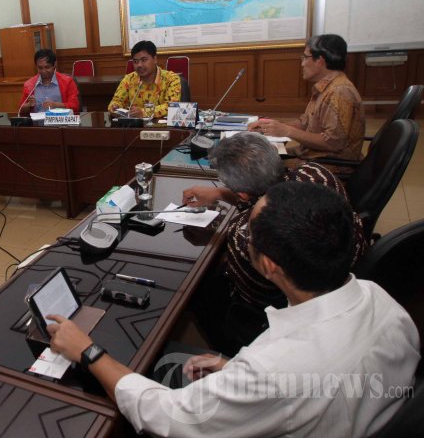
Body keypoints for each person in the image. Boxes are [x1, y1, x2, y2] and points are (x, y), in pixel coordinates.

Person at [48, 181, 420, 437]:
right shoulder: (381, 300)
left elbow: (165, 417)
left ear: (270, 265)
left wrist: (88, 351)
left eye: (249, 231)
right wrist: (234, 372)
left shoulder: (273, 371)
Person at [181, 132, 367, 350]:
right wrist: (222, 193)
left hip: (288, 319)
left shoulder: (247, 236)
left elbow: (255, 298)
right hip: (349, 279)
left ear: (243, 195)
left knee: (197, 286)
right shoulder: (317, 173)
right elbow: (266, 199)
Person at [248, 34, 364, 165]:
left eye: (305, 57)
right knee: (257, 155)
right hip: (310, 155)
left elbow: (332, 143)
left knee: (254, 165)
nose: (302, 64)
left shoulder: (339, 92)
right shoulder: (326, 87)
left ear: (320, 60)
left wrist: (287, 131)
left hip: (328, 165)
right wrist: (270, 126)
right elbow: (305, 123)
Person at [107, 40, 181, 119]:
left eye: (144, 60)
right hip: (134, 125)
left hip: (161, 126)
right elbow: (116, 101)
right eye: (135, 61)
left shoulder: (171, 79)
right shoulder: (129, 79)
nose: (139, 65)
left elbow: (172, 106)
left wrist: (144, 112)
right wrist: (115, 107)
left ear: (155, 59)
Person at [18, 49, 79, 114]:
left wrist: (56, 105)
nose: (43, 71)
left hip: (61, 120)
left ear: (54, 65)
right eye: (40, 68)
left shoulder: (67, 82)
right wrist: (28, 105)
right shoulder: (29, 85)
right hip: (37, 120)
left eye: (47, 67)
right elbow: (21, 111)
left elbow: (75, 106)